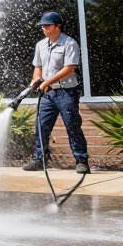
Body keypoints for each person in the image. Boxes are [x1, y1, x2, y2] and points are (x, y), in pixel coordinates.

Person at [23, 11, 90, 174]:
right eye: (42, 26)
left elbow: (69, 68)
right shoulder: (40, 45)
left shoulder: (69, 43)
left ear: (57, 26)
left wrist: (47, 82)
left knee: (72, 126)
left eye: (47, 25)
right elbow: (37, 67)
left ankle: (81, 161)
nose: (43, 28)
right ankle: (39, 159)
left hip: (66, 92)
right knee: (41, 125)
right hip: (48, 94)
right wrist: (36, 80)